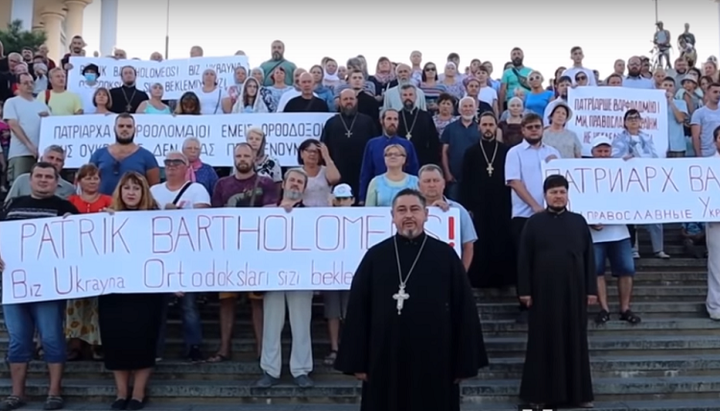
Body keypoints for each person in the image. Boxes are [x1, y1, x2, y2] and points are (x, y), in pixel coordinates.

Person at [335, 188, 487, 411]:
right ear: (393, 216)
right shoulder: (376, 256)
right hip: (385, 356)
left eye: (415, 209)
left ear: (426, 214)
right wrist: (357, 360)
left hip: (436, 357)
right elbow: (359, 309)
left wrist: (463, 362)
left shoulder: (445, 256)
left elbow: (463, 309)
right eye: (402, 210)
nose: (408, 215)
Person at [0, 162, 79, 411]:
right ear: (30, 179)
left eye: (48, 176)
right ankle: (17, 393)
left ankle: (54, 392)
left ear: (57, 182)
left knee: (52, 338)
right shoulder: (12, 205)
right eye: (39, 176)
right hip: (16, 285)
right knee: (17, 340)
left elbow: (81, 245)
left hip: (49, 287)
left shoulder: (66, 207)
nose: (43, 180)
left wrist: (72, 226)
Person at [517, 175, 596, 409]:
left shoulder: (579, 222)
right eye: (553, 193)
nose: (558, 196)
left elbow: (589, 257)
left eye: (562, 192)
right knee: (542, 342)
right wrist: (525, 291)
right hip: (542, 292)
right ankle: (539, 396)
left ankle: (579, 395)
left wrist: (591, 290)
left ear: (567, 194)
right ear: (545, 195)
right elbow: (523, 259)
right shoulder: (533, 223)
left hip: (574, 291)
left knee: (575, 341)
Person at [100, 172, 163, 410]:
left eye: (136, 188)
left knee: (143, 339)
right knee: (116, 340)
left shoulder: (157, 220)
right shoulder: (105, 218)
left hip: (146, 291)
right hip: (114, 291)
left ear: (143, 192)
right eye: (126, 188)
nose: (131, 192)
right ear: (120, 191)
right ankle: (121, 392)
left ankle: (138, 392)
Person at [257, 168, 314, 389]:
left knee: (301, 324)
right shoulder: (265, 212)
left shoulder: (312, 214)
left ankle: (301, 370)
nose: (295, 184)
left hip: (301, 275)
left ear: (305, 188)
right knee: (272, 323)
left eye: (300, 182)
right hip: (273, 274)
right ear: (283, 184)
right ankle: (270, 370)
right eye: (292, 180)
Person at [151, 151, 210, 363]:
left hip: (187, 255)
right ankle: (155, 348)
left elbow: (203, 219)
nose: (171, 165)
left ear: (187, 167)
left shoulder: (197, 190)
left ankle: (193, 347)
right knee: (157, 307)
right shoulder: (154, 190)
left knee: (189, 305)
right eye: (168, 162)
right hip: (159, 256)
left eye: (177, 162)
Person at [589, 137, 640, 325]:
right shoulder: (582, 173)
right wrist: (589, 221)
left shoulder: (621, 170)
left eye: (606, 151)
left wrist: (630, 164)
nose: (603, 155)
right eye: (599, 151)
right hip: (594, 233)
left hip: (620, 231)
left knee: (627, 269)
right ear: (592, 153)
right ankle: (604, 308)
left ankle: (625, 308)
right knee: (597, 271)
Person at [460, 112, 515, 288]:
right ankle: (480, 280)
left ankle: (502, 280)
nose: (488, 129)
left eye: (491, 125)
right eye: (485, 125)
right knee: (481, 240)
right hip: (479, 205)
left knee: (501, 239)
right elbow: (465, 180)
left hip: (502, 203)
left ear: (496, 127)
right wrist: (467, 205)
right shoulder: (471, 152)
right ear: (479, 128)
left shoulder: (506, 151)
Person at [66, 164, 113, 362]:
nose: (92, 181)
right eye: (88, 178)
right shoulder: (70, 201)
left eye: (95, 178)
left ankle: (96, 345)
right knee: (74, 303)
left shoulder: (109, 201)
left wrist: (113, 216)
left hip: (101, 261)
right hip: (75, 261)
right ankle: (75, 345)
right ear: (79, 181)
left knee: (96, 304)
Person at [320, 89, 377, 199]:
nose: (349, 102)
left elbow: (373, 147)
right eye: (345, 99)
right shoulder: (331, 123)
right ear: (340, 102)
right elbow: (324, 147)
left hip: (362, 171)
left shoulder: (367, 121)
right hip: (338, 171)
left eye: (351, 99)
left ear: (356, 101)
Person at [323, 183, 354, 365]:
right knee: (333, 311)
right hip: (331, 272)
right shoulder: (325, 218)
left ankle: (351, 347)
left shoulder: (362, 219)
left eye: (345, 199)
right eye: (339, 199)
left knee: (351, 310)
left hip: (352, 273)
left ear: (352, 200)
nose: (342, 203)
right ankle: (335, 348)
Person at [90, 113, 160, 195]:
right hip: (104, 206)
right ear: (114, 129)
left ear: (135, 129)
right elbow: (88, 181)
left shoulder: (147, 157)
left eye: (129, 126)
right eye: (121, 126)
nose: (125, 129)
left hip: (134, 206)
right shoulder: (98, 154)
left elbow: (154, 188)